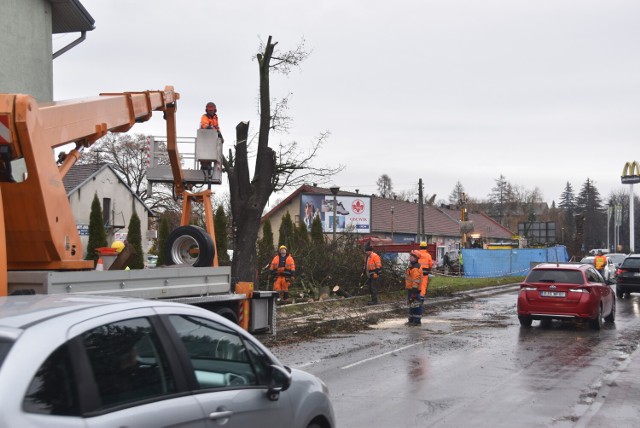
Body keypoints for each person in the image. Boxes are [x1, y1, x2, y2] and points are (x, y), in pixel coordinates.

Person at [199, 102, 224, 176]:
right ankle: (204, 167)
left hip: (212, 139)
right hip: (204, 138)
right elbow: (204, 125)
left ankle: (208, 166)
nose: (210, 111)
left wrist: (220, 136)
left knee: (211, 154)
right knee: (205, 155)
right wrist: (211, 129)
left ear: (214, 110)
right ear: (207, 110)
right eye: (209, 110)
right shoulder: (204, 117)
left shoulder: (215, 117)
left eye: (212, 110)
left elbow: (217, 127)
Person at [405, 250, 424, 326]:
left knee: (416, 305)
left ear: (415, 258)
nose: (410, 257)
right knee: (412, 305)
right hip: (411, 289)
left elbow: (416, 280)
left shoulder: (415, 268)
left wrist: (414, 291)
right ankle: (411, 319)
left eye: (411, 256)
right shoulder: (412, 266)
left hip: (414, 290)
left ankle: (417, 321)